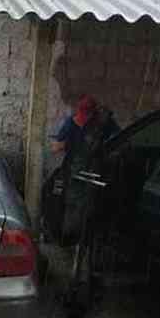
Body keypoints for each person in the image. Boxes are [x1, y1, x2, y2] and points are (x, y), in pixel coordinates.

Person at [49, 94, 120, 242]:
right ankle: (68, 237)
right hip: (73, 171)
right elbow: (54, 147)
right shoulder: (71, 123)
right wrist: (67, 144)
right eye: (80, 117)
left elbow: (119, 139)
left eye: (86, 118)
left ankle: (84, 238)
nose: (82, 122)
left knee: (90, 205)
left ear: (93, 115)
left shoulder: (102, 124)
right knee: (70, 203)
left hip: (94, 172)